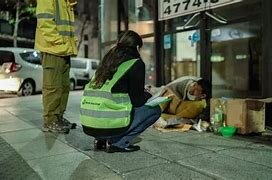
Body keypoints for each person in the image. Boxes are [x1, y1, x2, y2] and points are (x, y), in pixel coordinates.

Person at [80, 30, 161, 153]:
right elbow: (137, 101)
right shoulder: (136, 64)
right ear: (138, 47)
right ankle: (119, 143)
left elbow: (114, 90)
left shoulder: (107, 61)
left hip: (88, 124)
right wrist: (148, 93)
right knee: (155, 110)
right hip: (106, 125)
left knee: (111, 108)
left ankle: (101, 140)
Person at [35, 0, 78, 133]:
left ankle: (58, 117)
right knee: (52, 87)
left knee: (64, 86)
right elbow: (45, 22)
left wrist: (69, 44)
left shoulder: (66, 3)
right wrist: (60, 41)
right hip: (52, 49)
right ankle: (50, 121)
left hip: (64, 49)